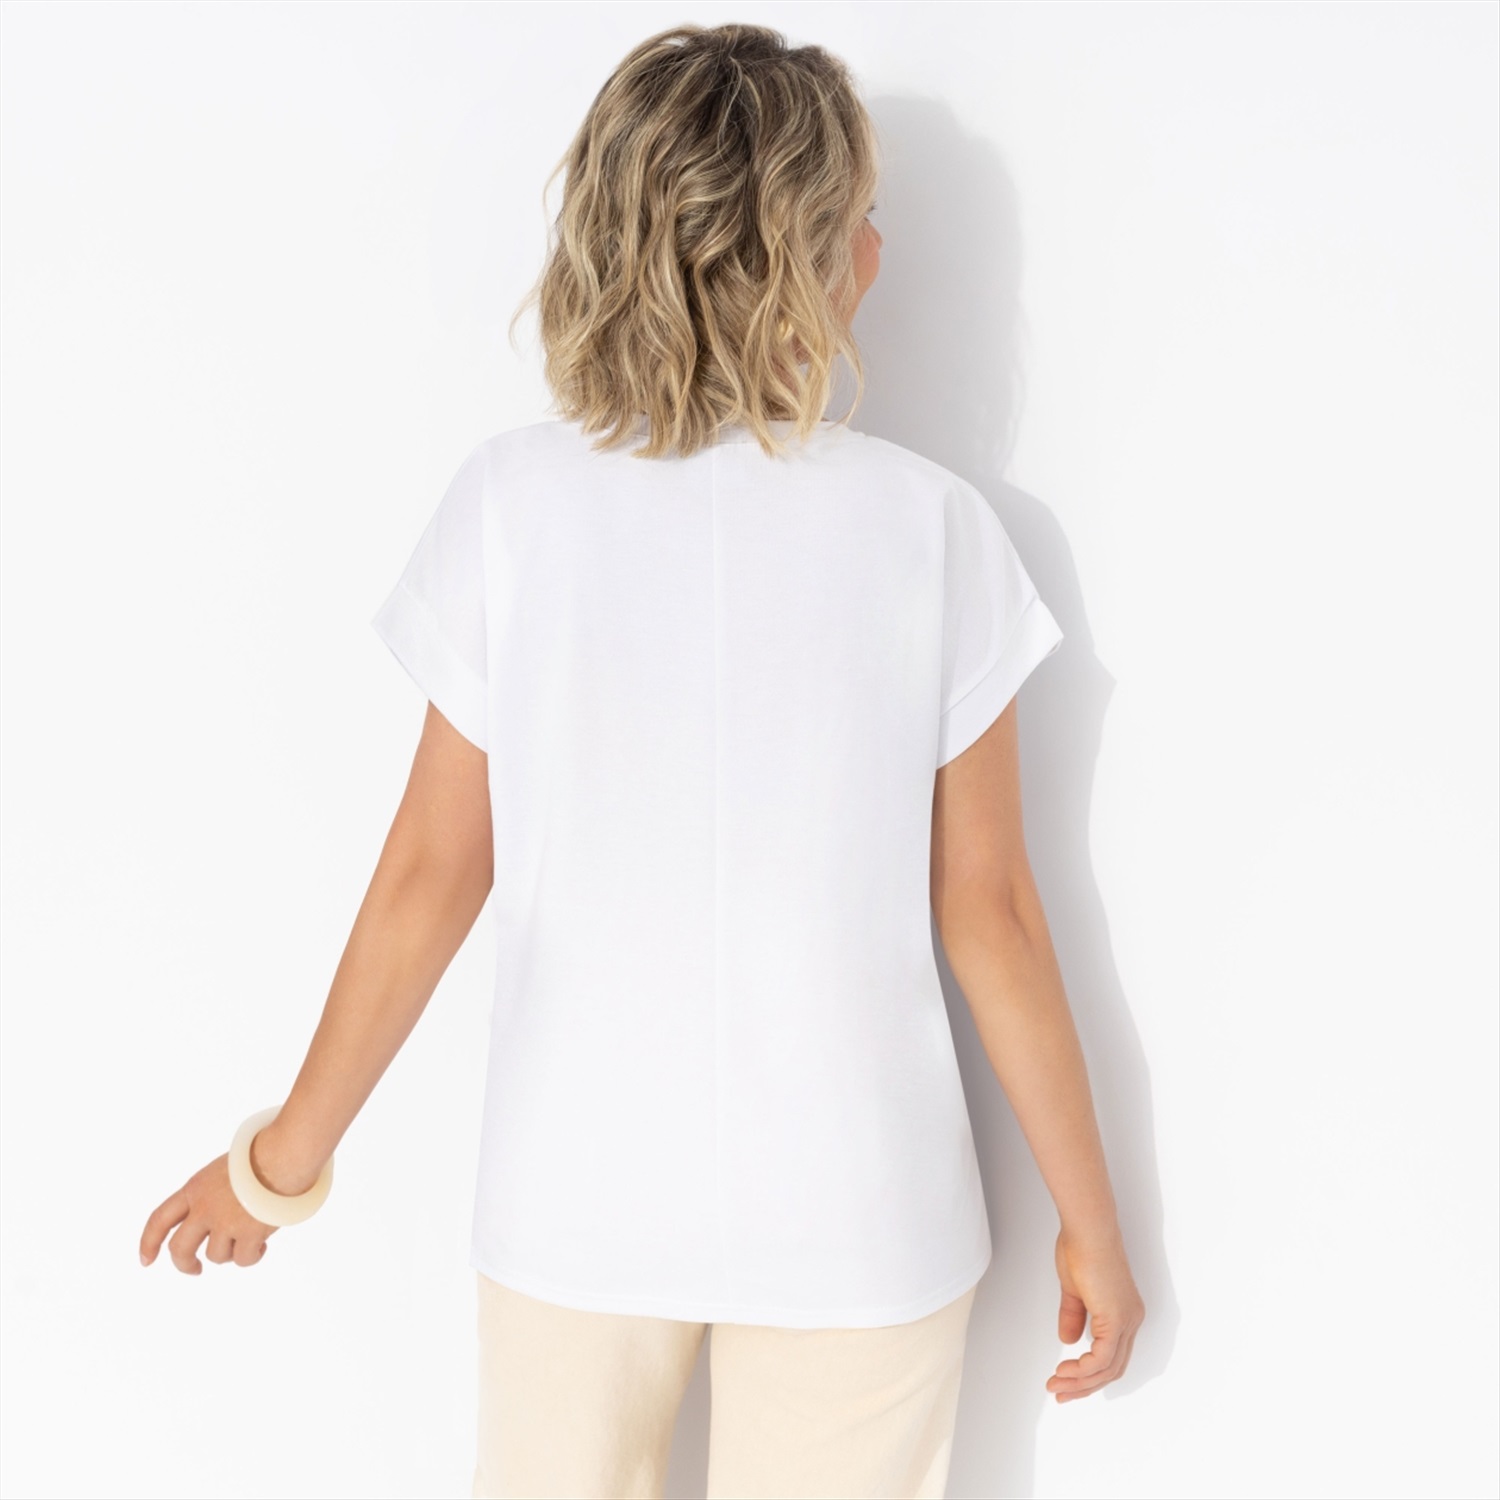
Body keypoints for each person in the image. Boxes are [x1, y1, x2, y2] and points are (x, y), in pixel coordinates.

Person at [139, 21, 1144, 1500]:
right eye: (861, 214)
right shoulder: (933, 528)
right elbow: (990, 912)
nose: (880, 244)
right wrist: (1093, 1226)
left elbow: (430, 873)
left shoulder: (513, 506)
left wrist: (278, 1166)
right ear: (814, 256)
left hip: (576, 1200)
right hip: (858, 1210)